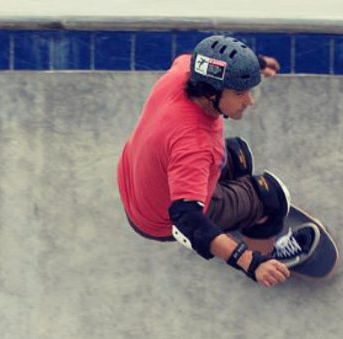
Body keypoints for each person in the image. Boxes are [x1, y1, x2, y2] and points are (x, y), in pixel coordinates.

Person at [117, 35, 319, 287]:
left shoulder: (182, 73)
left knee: (238, 155)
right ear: (210, 93)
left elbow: (203, 58)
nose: (250, 100)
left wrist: (252, 64)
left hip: (138, 184)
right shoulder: (195, 144)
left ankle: (236, 221)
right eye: (239, 92)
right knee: (272, 195)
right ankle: (270, 256)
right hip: (161, 219)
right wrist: (250, 263)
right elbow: (186, 218)